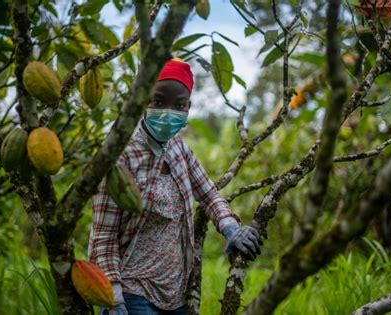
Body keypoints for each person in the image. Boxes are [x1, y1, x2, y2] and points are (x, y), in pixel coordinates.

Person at [88, 58, 262, 315]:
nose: (169, 112)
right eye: (159, 102)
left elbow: (209, 194)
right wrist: (113, 299)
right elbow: (103, 236)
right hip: (133, 291)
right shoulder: (119, 154)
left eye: (179, 105)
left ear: (188, 106)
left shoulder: (178, 147)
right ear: (142, 101)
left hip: (177, 292)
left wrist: (231, 228)